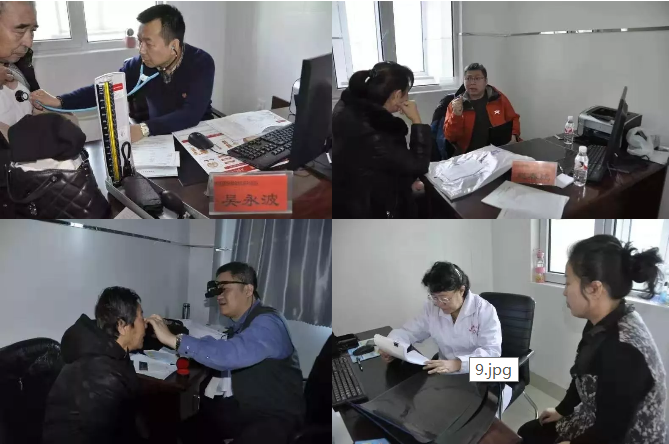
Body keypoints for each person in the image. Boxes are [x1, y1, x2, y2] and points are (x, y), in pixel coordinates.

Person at [518, 235, 667, 444]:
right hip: (595, 418)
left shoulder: (624, 351)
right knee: (528, 432)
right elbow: (583, 372)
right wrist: (562, 409)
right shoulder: (603, 321)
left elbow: (611, 432)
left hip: (625, 438)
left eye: (568, 282)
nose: (564, 292)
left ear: (595, 288)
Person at [146, 262, 305, 444]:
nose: (219, 296)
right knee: (189, 428)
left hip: (277, 416)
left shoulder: (268, 323)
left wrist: (175, 340)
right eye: (217, 290)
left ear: (248, 290)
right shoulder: (242, 324)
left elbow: (230, 354)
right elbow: (224, 345)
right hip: (248, 406)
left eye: (224, 288)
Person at [29, 4, 215, 143]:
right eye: (140, 41)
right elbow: (105, 90)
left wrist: (144, 128)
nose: (141, 50)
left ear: (173, 45)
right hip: (161, 137)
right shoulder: (140, 65)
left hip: (198, 134)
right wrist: (60, 101)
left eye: (149, 43)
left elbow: (190, 114)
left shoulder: (201, 63)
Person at [380, 261, 513, 412]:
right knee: (422, 406)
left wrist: (458, 364)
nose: (439, 304)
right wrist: (392, 346)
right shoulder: (432, 308)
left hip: (482, 371)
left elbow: (492, 353)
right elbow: (408, 331)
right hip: (446, 372)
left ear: (461, 290)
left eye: (444, 298)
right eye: (434, 297)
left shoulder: (484, 310)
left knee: (476, 416)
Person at [42, 287, 147, 444]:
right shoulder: (101, 376)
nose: (145, 324)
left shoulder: (112, 349)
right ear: (122, 326)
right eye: (141, 317)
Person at [333, 61, 431, 219]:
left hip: (352, 197)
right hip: (375, 209)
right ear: (397, 95)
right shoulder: (376, 133)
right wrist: (417, 121)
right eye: (407, 93)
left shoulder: (346, 107)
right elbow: (419, 165)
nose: (408, 98)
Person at [443, 63, 520, 153]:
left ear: (485, 81)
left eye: (477, 78)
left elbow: (513, 118)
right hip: (471, 154)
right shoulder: (455, 104)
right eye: (468, 78)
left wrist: (514, 135)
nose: (472, 82)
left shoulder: (498, 98)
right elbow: (451, 137)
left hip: (500, 151)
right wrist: (456, 115)